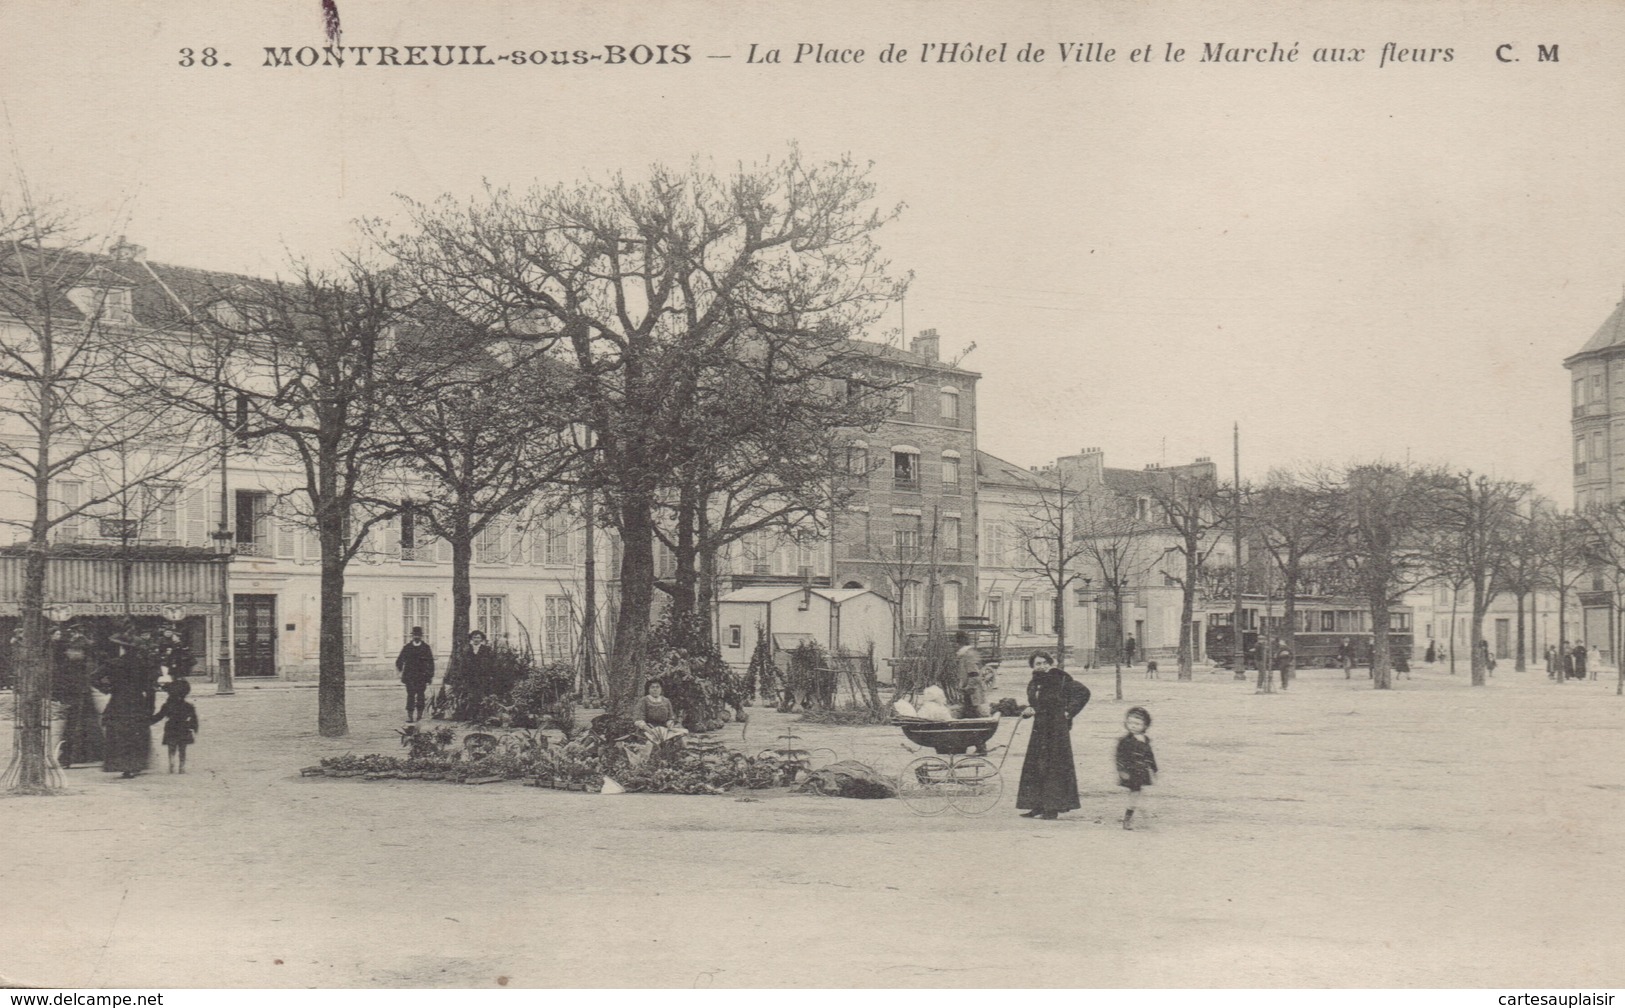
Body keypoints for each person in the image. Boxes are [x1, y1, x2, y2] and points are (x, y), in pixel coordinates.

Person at [1015, 651, 1090, 821]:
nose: (1041, 666)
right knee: (1036, 766)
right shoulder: (1034, 683)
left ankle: (1052, 808)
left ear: (1050, 663)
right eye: (1037, 664)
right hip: (1039, 729)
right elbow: (1037, 704)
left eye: (1044, 663)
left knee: (1054, 767)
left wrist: (1068, 712)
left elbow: (1084, 693)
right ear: (1033, 667)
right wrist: (1029, 710)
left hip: (1056, 731)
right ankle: (1036, 805)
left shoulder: (1060, 679)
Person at [93, 631, 158, 779]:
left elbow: (94, 678)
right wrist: (150, 707)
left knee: (119, 733)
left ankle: (122, 765)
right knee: (137, 733)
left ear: (122, 649)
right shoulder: (144, 665)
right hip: (137, 702)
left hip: (119, 702)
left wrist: (107, 689)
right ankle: (135, 765)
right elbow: (150, 688)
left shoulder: (113, 663)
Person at [1115, 706, 1159, 830]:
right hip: (1131, 773)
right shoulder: (1125, 741)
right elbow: (1119, 757)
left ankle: (1141, 817)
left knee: (1138, 794)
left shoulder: (1145, 740)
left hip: (1142, 772)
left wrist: (1154, 769)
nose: (1133, 726)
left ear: (1145, 726)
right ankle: (1128, 820)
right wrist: (1122, 770)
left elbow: (1150, 755)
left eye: (1137, 724)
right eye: (1130, 723)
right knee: (1135, 795)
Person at [150, 678, 199, 774]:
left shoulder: (167, 705)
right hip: (184, 728)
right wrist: (194, 727)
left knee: (171, 748)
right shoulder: (188, 706)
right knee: (182, 749)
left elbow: (159, 716)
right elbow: (194, 718)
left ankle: (171, 764)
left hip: (171, 728)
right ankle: (182, 766)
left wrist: (149, 721)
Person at [395, 626, 436, 722]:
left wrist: (430, 676)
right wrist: (400, 671)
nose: (416, 637)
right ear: (412, 636)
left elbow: (431, 663)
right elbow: (399, 660)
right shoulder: (407, 647)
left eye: (418, 635)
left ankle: (419, 715)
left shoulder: (426, 648)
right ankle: (410, 716)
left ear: (421, 636)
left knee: (421, 696)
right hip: (410, 676)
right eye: (415, 635)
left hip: (422, 676)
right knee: (410, 696)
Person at [953, 632, 987, 718]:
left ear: (960, 643)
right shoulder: (965, 654)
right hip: (968, 692)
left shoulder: (968, 655)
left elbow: (974, 675)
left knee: (973, 714)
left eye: (956, 643)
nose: (955, 646)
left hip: (971, 693)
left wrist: (968, 688)